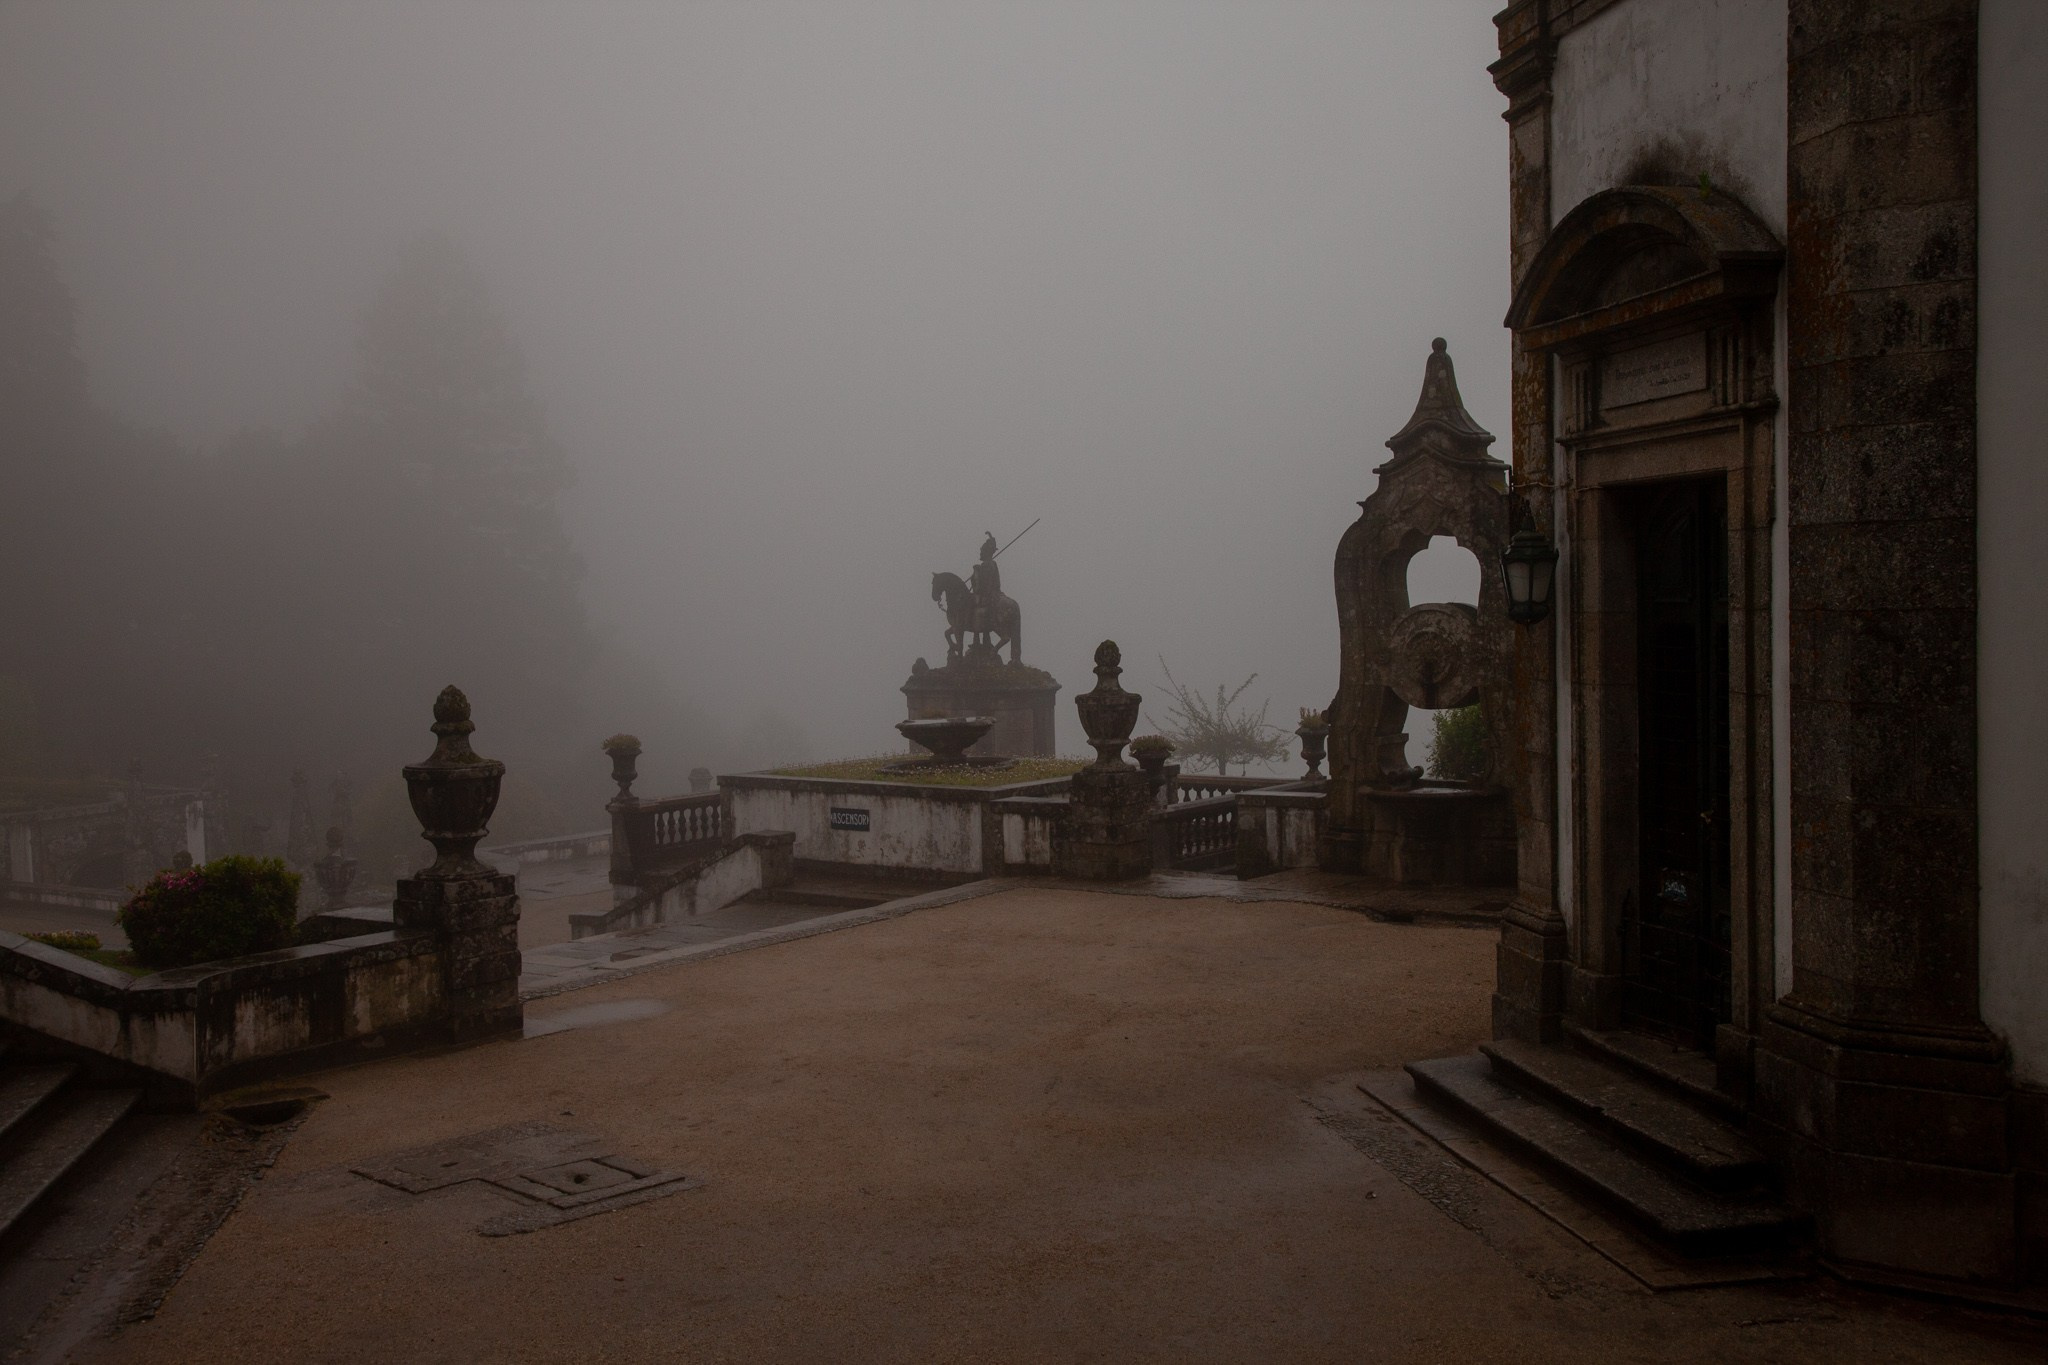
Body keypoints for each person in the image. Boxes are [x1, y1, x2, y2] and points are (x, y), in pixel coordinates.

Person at [968, 532, 1002, 643]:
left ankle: (976, 636)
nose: (980, 553)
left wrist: (976, 574)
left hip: (987, 593)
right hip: (993, 591)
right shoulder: (991, 563)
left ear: (986, 552)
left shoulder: (987, 565)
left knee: (971, 606)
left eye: (982, 551)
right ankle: (984, 638)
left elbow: (982, 585)